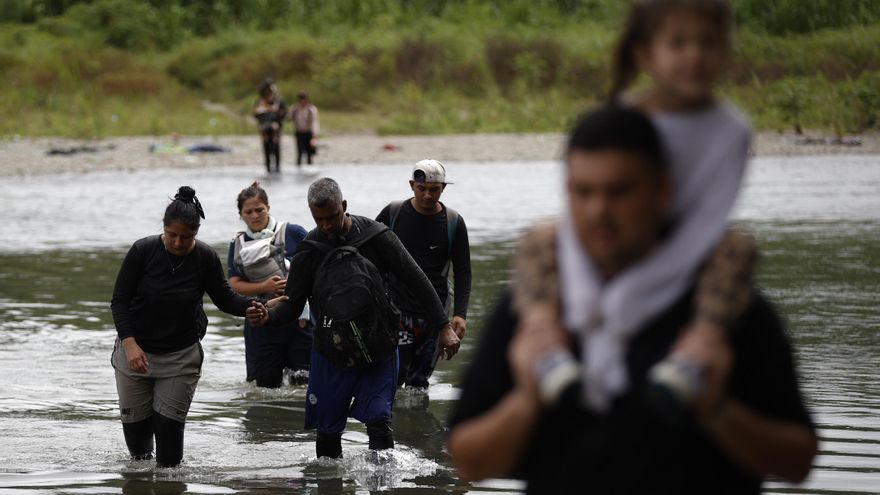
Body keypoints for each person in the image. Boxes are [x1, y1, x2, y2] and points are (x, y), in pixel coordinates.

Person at [447, 106, 817, 493]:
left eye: (619, 191)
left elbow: (797, 462)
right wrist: (526, 399)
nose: (598, 212)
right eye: (582, 191)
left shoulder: (726, 311)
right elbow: (468, 460)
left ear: (663, 190)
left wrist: (717, 409)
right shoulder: (532, 308)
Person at [246, 177, 461, 459]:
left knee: (379, 420)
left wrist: (444, 327)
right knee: (327, 430)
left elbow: (418, 281)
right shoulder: (309, 250)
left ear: (344, 206)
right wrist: (267, 316)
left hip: (379, 345)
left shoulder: (377, 237)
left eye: (332, 217)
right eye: (318, 219)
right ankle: (329, 483)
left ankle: (383, 485)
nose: (326, 225)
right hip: (330, 351)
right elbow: (292, 304)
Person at [110, 186, 263, 467]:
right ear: (164, 230)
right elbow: (119, 301)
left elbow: (225, 298)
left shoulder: (204, 258)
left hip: (181, 356)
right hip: (135, 353)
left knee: (169, 456)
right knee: (139, 451)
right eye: (172, 236)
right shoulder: (142, 251)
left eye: (187, 237)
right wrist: (130, 345)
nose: (178, 243)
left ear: (197, 233)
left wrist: (250, 307)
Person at [376, 159, 471, 389]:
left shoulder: (453, 223)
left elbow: (463, 271)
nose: (428, 195)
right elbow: (370, 253)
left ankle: (416, 422)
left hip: (434, 316)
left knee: (419, 383)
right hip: (397, 311)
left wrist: (459, 314)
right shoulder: (393, 214)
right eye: (422, 189)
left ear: (443, 189)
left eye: (434, 189)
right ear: (412, 186)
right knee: (394, 377)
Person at [227, 182, 313, 388]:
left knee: (304, 384)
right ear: (241, 215)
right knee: (265, 386)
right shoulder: (237, 243)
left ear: (268, 208)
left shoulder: (292, 232)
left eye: (259, 210)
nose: (255, 215)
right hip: (260, 323)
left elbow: (315, 266)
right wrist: (264, 287)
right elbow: (234, 283)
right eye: (248, 211)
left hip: (299, 322)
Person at [254, 78, 287, 173]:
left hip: (275, 130)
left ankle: (277, 169)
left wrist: (275, 111)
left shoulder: (278, 101)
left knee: (276, 149)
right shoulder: (260, 101)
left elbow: (284, 114)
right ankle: (268, 169)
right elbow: (256, 114)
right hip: (265, 130)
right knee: (266, 149)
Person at [291, 90, 319, 167]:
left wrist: (314, 137)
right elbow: (289, 118)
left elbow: (314, 123)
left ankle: (310, 169)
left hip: (308, 133)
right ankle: (298, 169)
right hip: (299, 133)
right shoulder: (294, 109)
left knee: (309, 154)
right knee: (299, 153)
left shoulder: (311, 109)